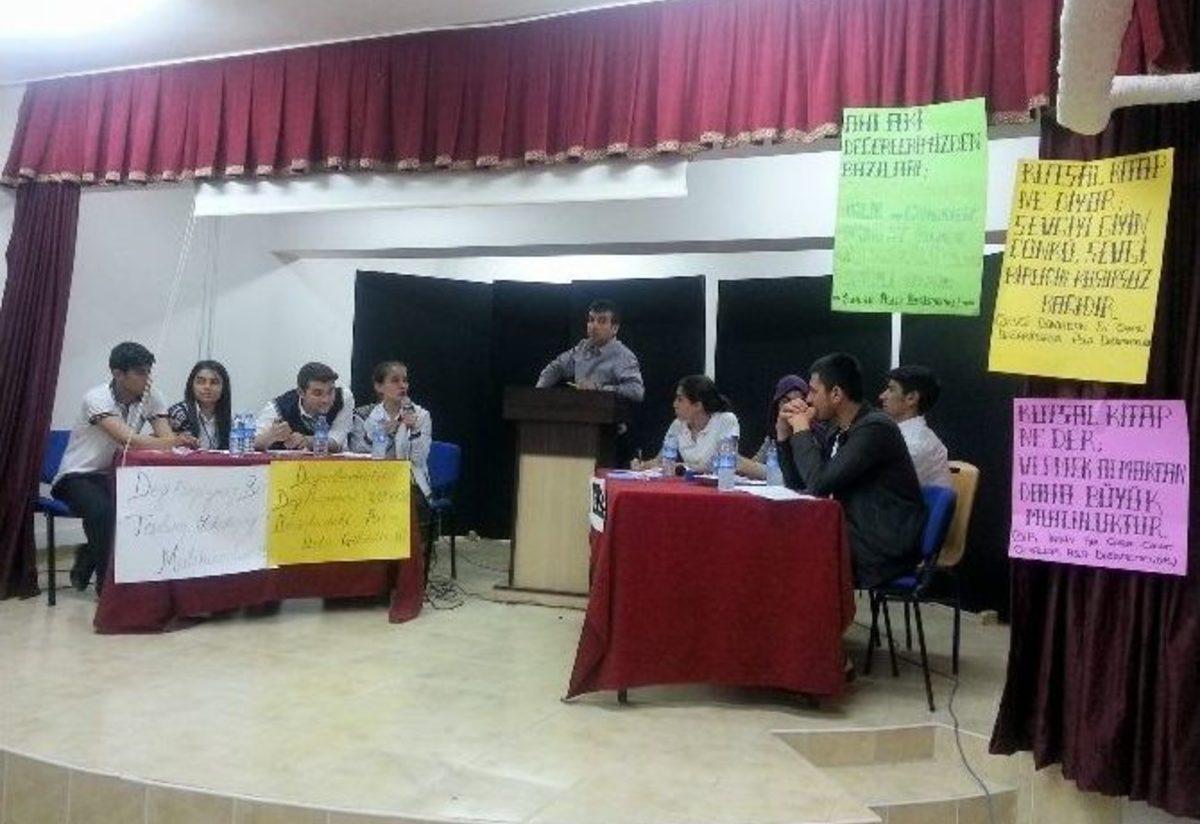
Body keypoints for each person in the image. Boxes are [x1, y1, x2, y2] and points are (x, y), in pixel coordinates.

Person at [52, 341, 198, 593]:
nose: (148, 379)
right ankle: (107, 590)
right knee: (103, 511)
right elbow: (129, 440)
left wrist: (172, 441)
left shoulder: (152, 396)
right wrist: (172, 441)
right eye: (141, 372)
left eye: (149, 371)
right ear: (118, 373)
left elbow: (165, 440)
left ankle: (91, 554)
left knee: (151, 507)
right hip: (76, 476)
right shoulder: (96, 398)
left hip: (117, 474)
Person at [779, 353, 925, 589]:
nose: (808, 399)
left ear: (836, 394)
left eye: (814, 392)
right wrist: (784, 435)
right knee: (777, 540)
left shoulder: (875, 428)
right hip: (853, 532)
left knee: (789, 551)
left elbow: (818, 484)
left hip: (881, 546)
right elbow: (798, 483)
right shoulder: (838, 429)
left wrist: (802, 430)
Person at [349, 361, 433, 502]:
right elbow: (358, 454)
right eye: (395, 381)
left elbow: (418, 460)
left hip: (410, 484)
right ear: (379, 387)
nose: (402, 385)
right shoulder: (364, 415)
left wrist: (414, 431)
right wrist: (383, 434)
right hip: (372, 482)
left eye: (405, 380)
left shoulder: (421, 415)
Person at [536, 299, 645, 402]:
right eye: (591, 320)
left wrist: (600, 388)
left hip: (606, 414)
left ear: (614, 328)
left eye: (601, 321)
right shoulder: (583, 347)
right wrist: (537, 394)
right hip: (579, 411)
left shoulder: (624, 355)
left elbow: (636, 391)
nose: (594, 326)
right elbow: (556, 367)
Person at [632, 375, 739, 473]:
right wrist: (642, 465)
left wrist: (684, 467)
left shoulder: (726, 420)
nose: (674, 404)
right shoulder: (677, 424)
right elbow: (661, 461)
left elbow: (723, 462)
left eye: (680, 400)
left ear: (698, 405)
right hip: (691, 483)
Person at [878, 365, 953, 489]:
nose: (882, 396)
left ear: (911, 398)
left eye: (891, 390)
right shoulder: (893, 434)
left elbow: (877, 487)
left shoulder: (914, 445)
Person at [254, 362, 354, 452]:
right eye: (317, 393)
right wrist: (270, 437)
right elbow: (251, 442)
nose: (326, 400)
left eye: (330, 391)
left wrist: (308, 441)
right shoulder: (278, 408)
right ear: (301, 393)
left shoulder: (343, 398)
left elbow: (337, 441)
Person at [738, 374, 810, 480]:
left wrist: (748, 467)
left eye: (798, 401)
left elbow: (798, 478)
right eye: (786, 401)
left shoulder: (812, 437)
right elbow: (754, 463)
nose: (791, 407)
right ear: (777, 406)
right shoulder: (773, 436)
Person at [167, 360, 232, 450]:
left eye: (214, 382)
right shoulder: (178, 413)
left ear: (223, 388)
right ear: (191, 385)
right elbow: (166, 446)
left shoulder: (226, 417)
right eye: (201, 382)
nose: (207, 387)